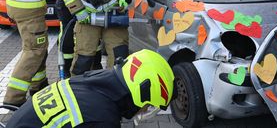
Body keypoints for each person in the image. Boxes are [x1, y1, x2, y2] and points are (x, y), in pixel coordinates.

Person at [5, 49, 175, 128]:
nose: (144, 111)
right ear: (141, 92)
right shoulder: (103, 118)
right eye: (149, 105)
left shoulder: (96, 81)